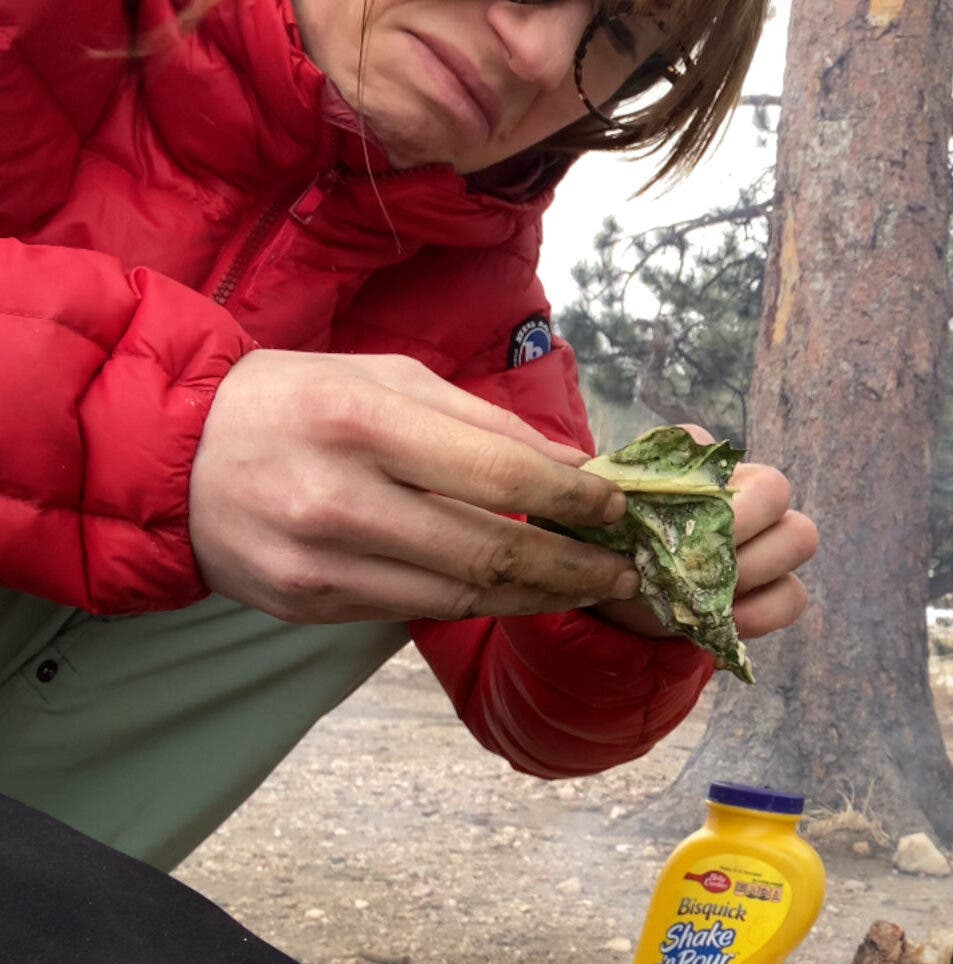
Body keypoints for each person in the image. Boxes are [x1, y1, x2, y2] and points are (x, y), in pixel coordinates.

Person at [0, 0, 816, 872]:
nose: (539, 56)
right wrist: (174, 432)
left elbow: (541, 719)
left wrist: (630, 601)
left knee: (425, 513)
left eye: (615, 35)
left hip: (45, 887)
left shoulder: (482, 323)